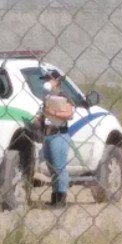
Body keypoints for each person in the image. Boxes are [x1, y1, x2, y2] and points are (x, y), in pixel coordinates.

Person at [34, 69, 75, 208]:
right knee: (52, 168)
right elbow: (44, 115)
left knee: (59, 167)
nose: (46, 82)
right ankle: (55, 197)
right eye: (45, 80)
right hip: (48, 134)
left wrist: (54, 113)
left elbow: (69, 113)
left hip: (59, 134)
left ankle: (61, 198)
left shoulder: (63, 96)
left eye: (49, 79)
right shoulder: (46, 98)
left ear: (57, 81)